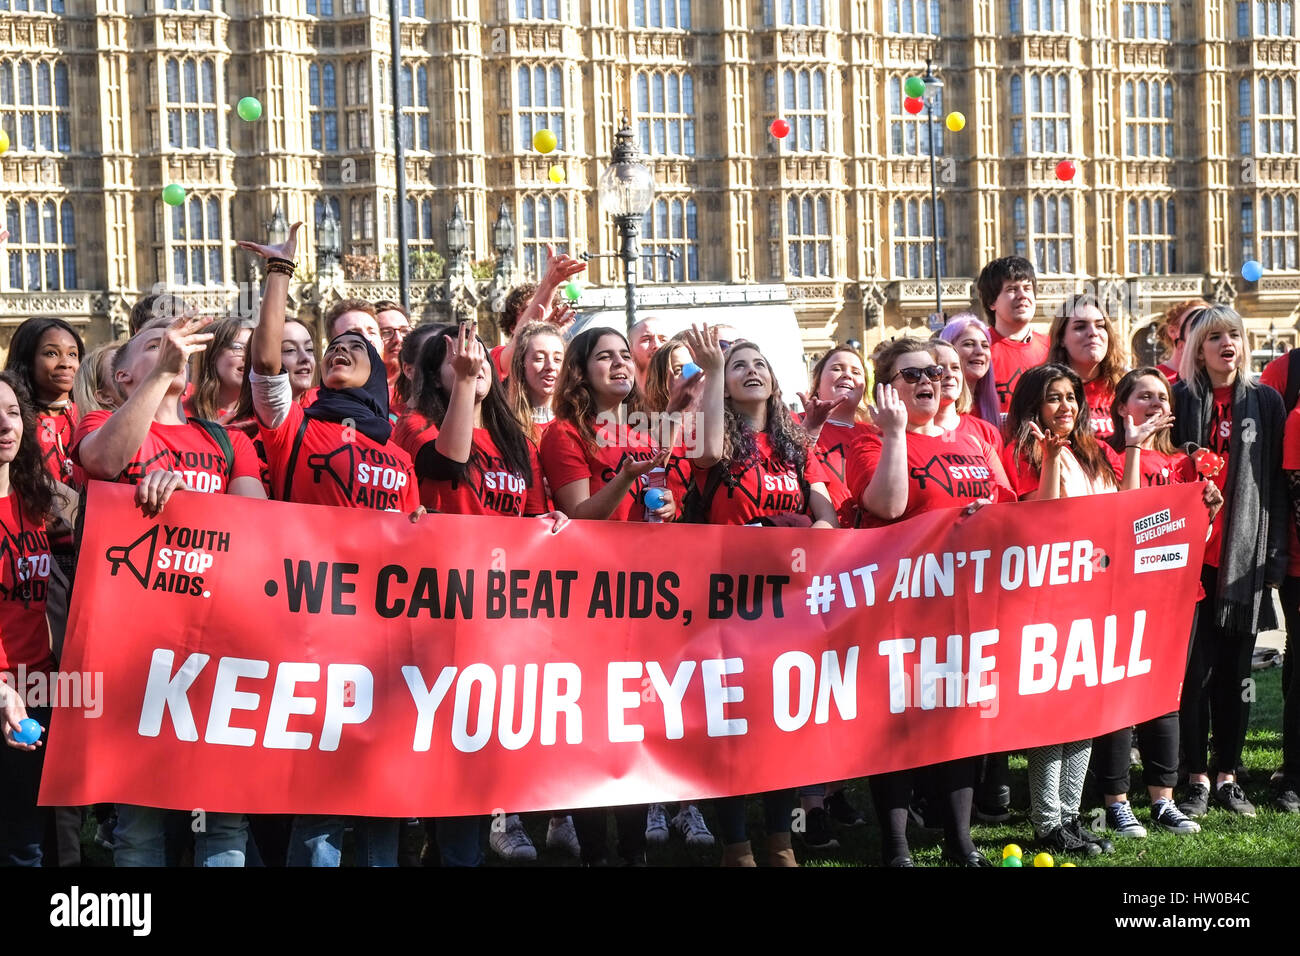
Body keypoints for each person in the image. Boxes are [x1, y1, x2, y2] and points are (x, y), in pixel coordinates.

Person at [241, 223, 421, 866]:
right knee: (320, 805)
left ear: (379, 370)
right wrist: (279, 276)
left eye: (356, 345)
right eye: (334, 343)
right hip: (308, 630)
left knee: (377, 800)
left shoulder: (398, 458)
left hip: (379, 640)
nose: (341, 349)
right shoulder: (296, 427)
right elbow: (266, 367)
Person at [70, 314, 267, 867]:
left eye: (178, 345)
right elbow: (104, 462)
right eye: (154, 346)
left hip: (219, 649)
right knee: (140, 825)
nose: (172, 349)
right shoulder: (98, 422)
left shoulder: (226, 441)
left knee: (223, 822)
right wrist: (165, 371)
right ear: (124, 376)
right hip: (135, 652)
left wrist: (189, 503)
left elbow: (257, 523)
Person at [405, 321, 574, 865]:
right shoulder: (414, 426)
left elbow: (528, 517)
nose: (470, 365)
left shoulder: (516, 443)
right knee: (453, 750)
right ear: (437, 375)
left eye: (476, 357)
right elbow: (449, 463)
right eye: (454, 361)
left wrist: (547, 523)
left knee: (486, 746)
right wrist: (462, 384)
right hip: (442, 615)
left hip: (504, 619)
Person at [846, 338, 1013, 867]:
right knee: (898, 723)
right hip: (901, 604)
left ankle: (959, 845)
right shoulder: (869, 442)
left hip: (967, 601)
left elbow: (1009, 509)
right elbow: (887, 506)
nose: (925, 380)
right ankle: (896, 849)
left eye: (932, 372)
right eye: (909, 373)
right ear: (888, 387)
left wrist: (987, 513)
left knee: (957, 721)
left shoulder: (973, 437)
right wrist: (897, 433)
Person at [537, 327, 686, 865]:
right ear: (581, 370)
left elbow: (667, 501)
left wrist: (669, 509)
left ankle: (633, 850)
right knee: (591, 732)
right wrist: (624, 479)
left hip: (644, 599)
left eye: (626, 355)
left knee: (632, 727)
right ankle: (596, 851)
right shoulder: (564, 434)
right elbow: (579, 516)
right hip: (587, 603)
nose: (621, 363)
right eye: (606, 356)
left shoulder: (649, 431)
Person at [690, 335, 838, 868]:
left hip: (787, 607)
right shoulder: (710, 436)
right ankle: (737, 848)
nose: (751, 370)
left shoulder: (796, 443)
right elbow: (706, 454)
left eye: (759, 364)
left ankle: (780, 844)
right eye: (737, 366)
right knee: (731, 727)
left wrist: (811, 527)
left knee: (780, 726)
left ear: (773, 381)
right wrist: (709, 371)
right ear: (724, 386)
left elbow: (826, 511)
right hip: (726, 604)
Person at [1088, 367, 1223, 837]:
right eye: (1143, 397)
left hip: (1178, 597)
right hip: (1122, 596)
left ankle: (1162, 800)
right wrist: (1134, 448)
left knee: (1165, 697)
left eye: (1162, 397)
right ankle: (1117, 801)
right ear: (1122, 407)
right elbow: (1122, 516)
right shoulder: (1107, 455)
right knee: (1121, 696)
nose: (1156, 405)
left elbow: (1196, 542)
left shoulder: (1189, 466)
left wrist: (1209, 510)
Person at [1171, 305, 1287, 819]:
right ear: (1197, 347)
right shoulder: (1177, 401)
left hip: (1243, 562)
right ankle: (1194, 773)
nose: (1227, 345)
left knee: (1237, 674)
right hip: (1187, 563)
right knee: (1193, 674)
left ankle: (1228, 774)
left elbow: (1279, 489)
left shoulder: (1266, 402)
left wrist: (1277, 557)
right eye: (1214, 336)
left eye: (1234, 336)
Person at [1002, 363, 1118, 857]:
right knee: (1053, 714)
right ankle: (1047, 821)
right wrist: (1050, 460)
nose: (1066, 406)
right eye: (1054, 398)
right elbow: (1039, 525)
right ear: (1033, 405)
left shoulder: (1094, 452)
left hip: (1095, 595)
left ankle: (1071, 816)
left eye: (1072, 397)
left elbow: (1121, 512)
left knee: (1083, 711)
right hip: (1047, 601)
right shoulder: (1025, 451)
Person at [0, 370, 78, 866]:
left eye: (11, 412)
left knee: (28, 840)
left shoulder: (38, 503)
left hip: (37, 689)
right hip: (4, 691)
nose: (4, 425)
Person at [4, 317, 85, 485]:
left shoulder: (91, 416)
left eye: (72, 354)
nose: (66, 363)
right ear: (27, 361)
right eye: (51, 353)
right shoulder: (11, 424)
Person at [491, 245, 583, 379]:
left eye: (548, 305)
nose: (542, 311)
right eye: (529, 309)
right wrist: (550, 283)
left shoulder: (570, 360)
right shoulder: (498, 356)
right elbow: (516, 352)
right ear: (513, 327)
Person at [1047, 294, 1127, 442]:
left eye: (1100, 326)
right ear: (1061, 339)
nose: (1093, 332)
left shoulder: (1126, 387)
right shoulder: (1044, 391)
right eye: (1080, 327)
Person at [976, 255, 1048, 414]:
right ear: (992, 302)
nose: (1022, 295)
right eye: (1012, 289)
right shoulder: (978, 351)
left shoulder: (1052, 347)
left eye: (1027, 288)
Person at [938, 311, 1002, 428]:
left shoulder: (991, 407)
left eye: (985, 345)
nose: (980, 351)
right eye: (969, 344)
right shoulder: (935, 410)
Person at [507, 322, 566, 444]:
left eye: (557, 359)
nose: (550, 366)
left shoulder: (576, 421)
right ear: (521, 363)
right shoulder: (504, 422)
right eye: (539, 358)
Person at [184, 318, 251, 425]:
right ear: (212, 355)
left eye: (253, 349)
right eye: (238, 347)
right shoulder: (180, 414)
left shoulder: (268, 417)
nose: (249, 357)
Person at [1156, 299, 1209, 384]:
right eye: (1196, 322)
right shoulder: (1155, 379)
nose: (1204, 329)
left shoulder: (1218, 377)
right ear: (1172, 331)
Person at [373, 300, 411, 390]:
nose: (398, 339)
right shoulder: (354, 388)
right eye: (386, 333)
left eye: (404, 331)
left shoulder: (426, 387)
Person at [629, 315, 668, 393]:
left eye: (663, 340)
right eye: (646, 339)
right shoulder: (621, 397)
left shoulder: (684, 391)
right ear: (630, 352)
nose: (657, 345)